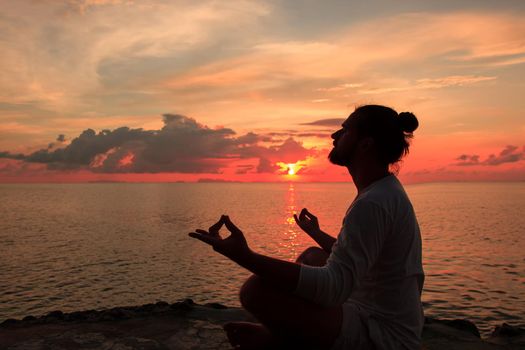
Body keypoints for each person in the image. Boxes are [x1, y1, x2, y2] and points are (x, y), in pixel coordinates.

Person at [189, 104, 425, 350]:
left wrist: (244, 255)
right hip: (383, 314)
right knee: (313, 256)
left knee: (256, 291)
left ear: (366, 144)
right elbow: (366, 257)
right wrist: (315, 233)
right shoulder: (384, 191)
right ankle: (280, 336)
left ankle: (278, 341)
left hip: (383, 335)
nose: (334, 136)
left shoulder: (373, 202)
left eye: (344, 131)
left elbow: (333, 288)